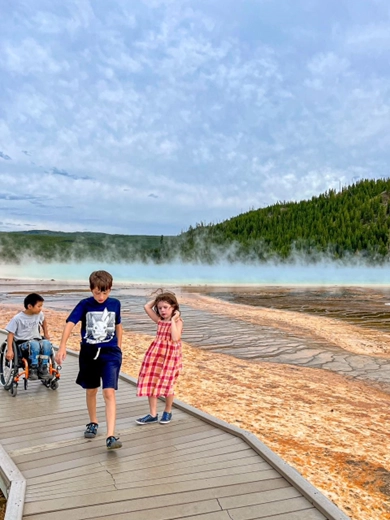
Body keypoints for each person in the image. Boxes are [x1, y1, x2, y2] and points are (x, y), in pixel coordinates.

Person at [55, 270, 123, 450]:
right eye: (97, 292)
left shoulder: (115, 303)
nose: (101, 296)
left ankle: (111, 436)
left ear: (110, 289)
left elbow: (118, 325)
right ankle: (93, 422)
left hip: (110, 354)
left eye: (105, 292)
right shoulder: (84, 304)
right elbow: (70, 323)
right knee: (91, 390)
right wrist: (62, 346)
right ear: (91, 289)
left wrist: (119, 347)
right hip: (89, 353)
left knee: (109, 392)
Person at [136, 290, 183, 425]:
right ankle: (153, 414)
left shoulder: (178, 322)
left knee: (168, 383)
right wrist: (158, 298)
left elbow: (175, 337)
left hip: (170, 357)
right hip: (155, 354)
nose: (162, 310)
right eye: (160, 307)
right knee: (151, 381)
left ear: (173, 307)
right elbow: (146, 307)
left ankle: (167, 411)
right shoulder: (159, 320)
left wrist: (173, 319)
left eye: (166, 307)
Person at [5, 293, 53, 380]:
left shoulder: (39, 314)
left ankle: (43, 368)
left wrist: (46, 334)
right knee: (34, 344)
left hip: (36, 341)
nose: (41, 308)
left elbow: (44, 322)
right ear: (30, 306)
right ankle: (33, 369)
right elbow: (10, 333)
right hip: (22, 344)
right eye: (39, 306)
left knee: (46, 343)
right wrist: (9, 350)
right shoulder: (18, 318)